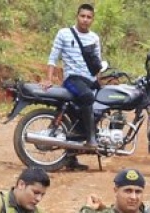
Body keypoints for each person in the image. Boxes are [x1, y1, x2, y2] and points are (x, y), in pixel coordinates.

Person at [44, 3, 103, 171]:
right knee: (87, 97)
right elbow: (53, 57)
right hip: (72, 79)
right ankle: (91, 138)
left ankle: (71, 156)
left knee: (102, 106)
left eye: (89, 17)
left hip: (89, 80)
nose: (85, 20)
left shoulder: (94, 38)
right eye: (82, 16)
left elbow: (96, 63)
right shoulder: (64, 34)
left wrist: (100, 81)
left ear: (92, 20)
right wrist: (49, 79)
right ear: (77, 16)